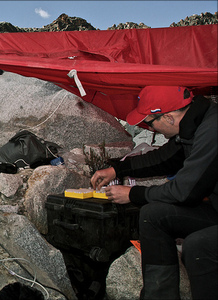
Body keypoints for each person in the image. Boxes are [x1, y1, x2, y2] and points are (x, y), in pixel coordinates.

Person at [90, 86, 217, 299]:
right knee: (152, 216)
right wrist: (116, 169)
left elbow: (184, 192)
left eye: (150, 123)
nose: (151, 130)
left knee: (198, 246)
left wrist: (132, 194)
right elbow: (164, 158)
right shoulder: (193, 123)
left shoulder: (212, 130)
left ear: (167, 117)